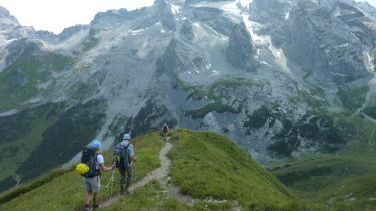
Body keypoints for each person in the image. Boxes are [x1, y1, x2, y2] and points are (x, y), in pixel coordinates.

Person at [83, 140, 114, 211]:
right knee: (95, 193)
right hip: (94, 177)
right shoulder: (99, 156)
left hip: (85, 176)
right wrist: (111, 168)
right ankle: (95, 207)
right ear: (98, 148)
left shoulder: (87, 155)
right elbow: (104, 169)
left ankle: (86, 207)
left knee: (89, 192)